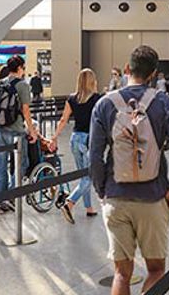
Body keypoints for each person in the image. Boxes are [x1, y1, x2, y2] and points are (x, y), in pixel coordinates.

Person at [89, 45, 169, 295]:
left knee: (122, 273)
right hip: (153, 197)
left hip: (115, 195)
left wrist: (102, 191)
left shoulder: (104, 104)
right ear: (154, 73)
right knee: (156, 270)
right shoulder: (165, 103)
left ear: (126, 69)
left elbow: (94, 155)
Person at [0, 55, 39, 214]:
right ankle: (10, 197)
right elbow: (26, 110)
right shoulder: (22, 85)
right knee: (21, 164)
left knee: (0, 166)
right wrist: (32, 131)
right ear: (20, 68)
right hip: (16, 131)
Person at [54, 68, 102, 224]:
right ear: (92, 81)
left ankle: (89, 208)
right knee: (89, 176)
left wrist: (54, 137)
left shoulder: (72, 99)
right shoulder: (97, 99)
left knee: (83, 175)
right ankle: (70, 203)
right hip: (89, 140)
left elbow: (63, 120)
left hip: (75, 139)